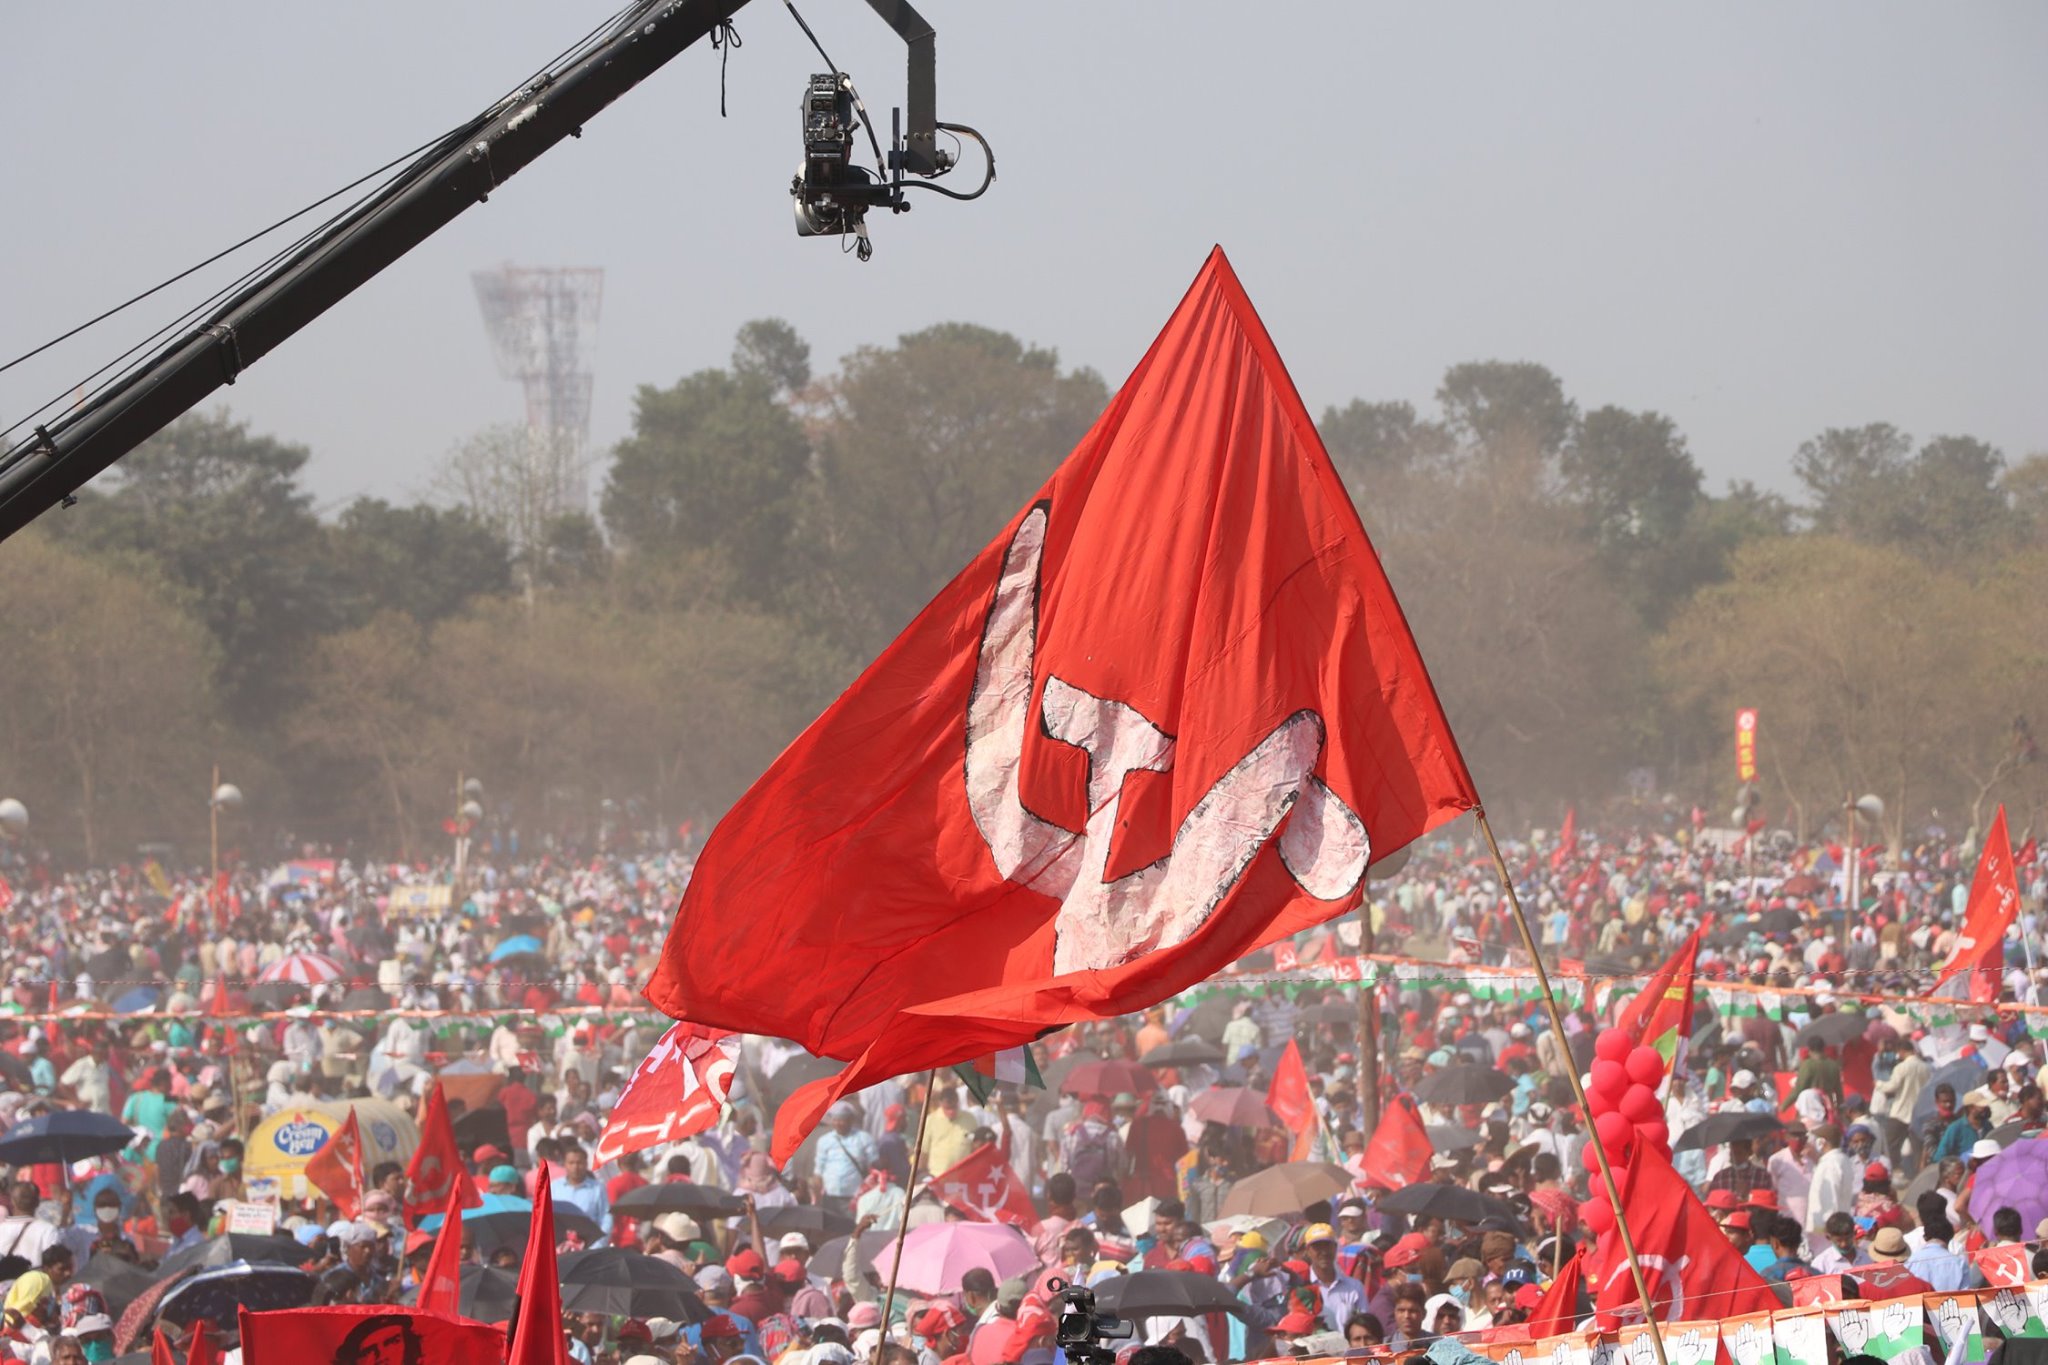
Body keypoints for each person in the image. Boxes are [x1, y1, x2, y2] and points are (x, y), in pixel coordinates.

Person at [1302, 1223, 1367, 1332]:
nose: (1324, 1252)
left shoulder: (1355, 1287)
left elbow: (1365, 1326)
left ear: (1335, 1247)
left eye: (1327, 1245)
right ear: (1308, 1251)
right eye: (1317, 1247)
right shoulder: (1301, 1287)